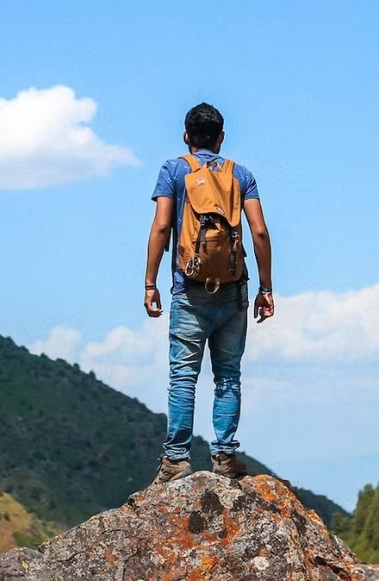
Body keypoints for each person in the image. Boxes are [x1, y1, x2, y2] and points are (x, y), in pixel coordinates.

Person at [144, 102, 274, 485]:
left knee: (183, 375)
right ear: (221, 138)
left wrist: (150, 283)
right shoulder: (241, 175)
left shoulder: (174, 170)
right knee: (228, 375)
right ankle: (224, 457)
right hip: (234, 290)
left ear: (186, 136)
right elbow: (260, 233)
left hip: (189, 289)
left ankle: (176, 461)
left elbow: (161, 227)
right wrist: (266, 288)